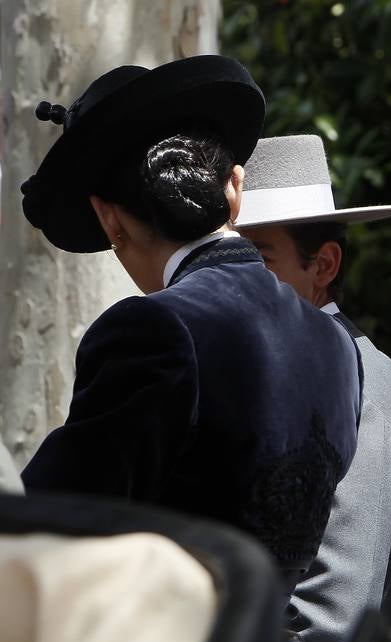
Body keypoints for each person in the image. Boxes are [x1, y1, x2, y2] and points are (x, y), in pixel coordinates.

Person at [18, 57, 361, 585]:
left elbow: (49, 525)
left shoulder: (153, 329)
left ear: (109, 219)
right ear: (236, 188)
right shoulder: (338, 346)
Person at [236, 135, 391, 642]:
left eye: (257, 258)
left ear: (324, 264)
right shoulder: (295, 370)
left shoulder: (364, 393)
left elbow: (335, 612)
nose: (233, 282)